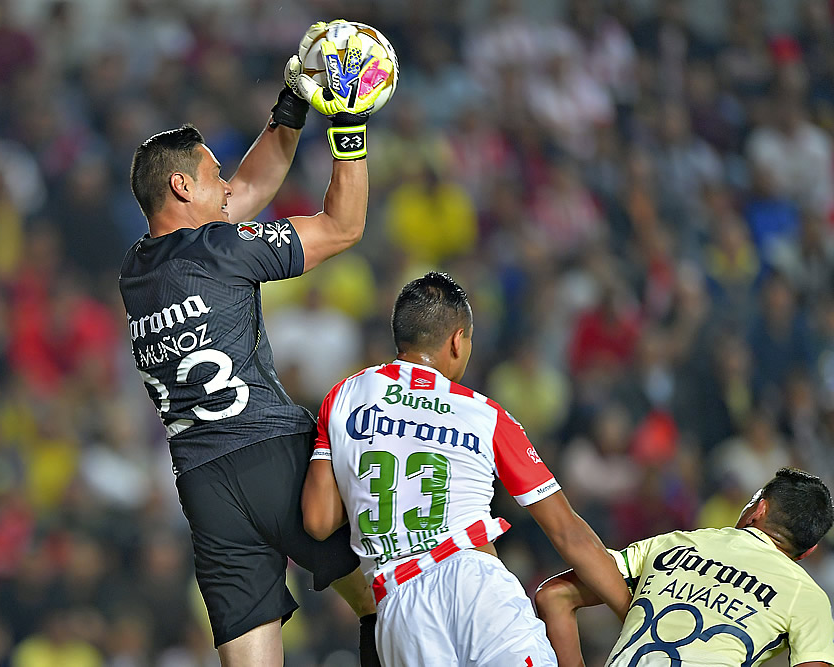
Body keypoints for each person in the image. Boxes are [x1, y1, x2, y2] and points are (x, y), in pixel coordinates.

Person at [117, 21, 394, 667]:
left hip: (205, 485)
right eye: (213, 172)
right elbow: (344, 226)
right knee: (386, 603)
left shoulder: (136, 270)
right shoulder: (220, 249)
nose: (227, 183)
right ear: (182, 187)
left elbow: (244, 193)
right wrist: (346, 125)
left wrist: (291, 108)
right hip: (277, 456)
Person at [301, 271, 632, 666]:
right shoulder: (485, 414)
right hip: (474, 583)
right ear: (458, 341)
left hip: (399, 609)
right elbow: (567, 532)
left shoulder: (343, 397)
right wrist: (633, 612)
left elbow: (319, 521)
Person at [535, 467, 834, 667]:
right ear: (808, 551)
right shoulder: (808, 596)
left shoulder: (676, 543)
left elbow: (554, 595)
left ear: (758, 509)